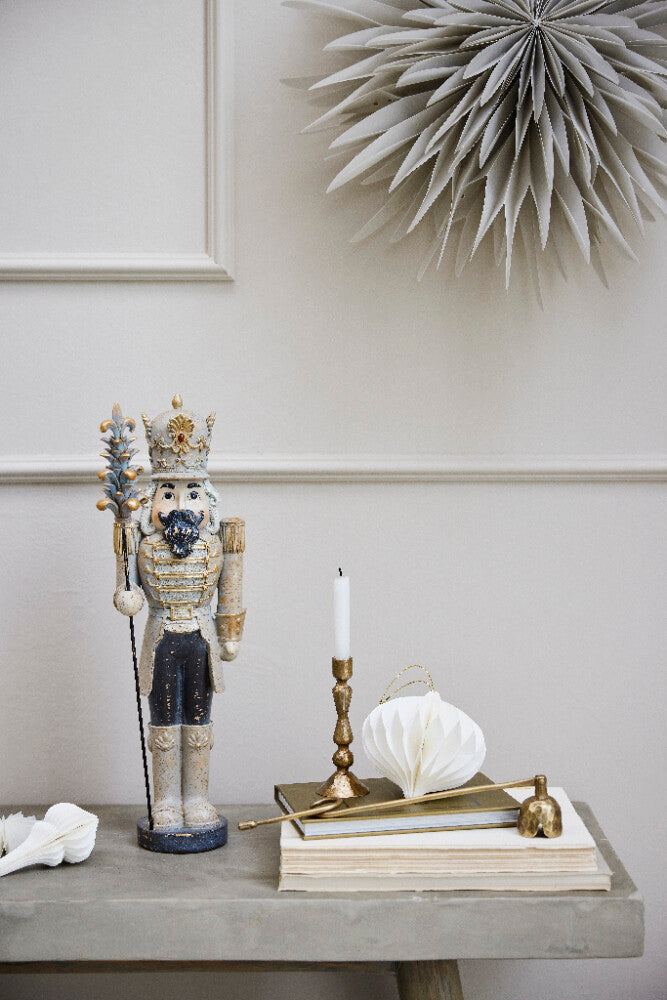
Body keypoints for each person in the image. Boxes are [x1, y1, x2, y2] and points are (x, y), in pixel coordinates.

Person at [112, 394, 245, 830]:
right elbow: (127, 590)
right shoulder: (143, 543)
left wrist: (230, 634)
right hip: (162, 637)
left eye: (191, 493)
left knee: (199, 718)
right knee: (164, 719)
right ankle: (167, 800)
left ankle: (197, 797)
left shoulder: (218, 543)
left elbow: (230, 592)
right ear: (153, 499)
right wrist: (126, 589)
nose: (180, 506)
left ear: (207, 499)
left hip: (201, 638)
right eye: (168, 493)